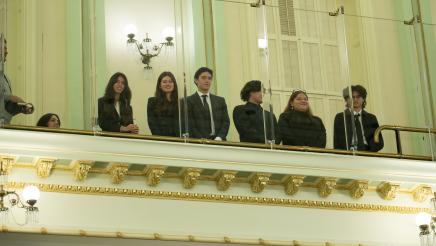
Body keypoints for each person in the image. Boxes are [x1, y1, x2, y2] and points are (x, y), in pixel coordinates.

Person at [333, 85, 384, 152]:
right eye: (352, 97)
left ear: (363, 99)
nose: (355, 99)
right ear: (347, 100)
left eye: (358, 97)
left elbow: (379, 141)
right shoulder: (340, 117)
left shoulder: (371, 118)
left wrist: (370, 152)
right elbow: (337, 143)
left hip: (368, 153)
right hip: (348, 154)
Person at [186, 67, 229, 140]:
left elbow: (225, 122)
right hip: (199, 142)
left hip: (219, 142)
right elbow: (190, 124)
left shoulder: (220, 100)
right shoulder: (188, 101)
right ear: (196, 80)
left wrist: (219, 137)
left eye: (209, 78)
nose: (207, 81)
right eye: (203, 78)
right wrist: (201, 139)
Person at [0, 38, 28, 124]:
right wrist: (10, 97)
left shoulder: (5, 77)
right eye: (4, 48)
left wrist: (20, 108)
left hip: (4, 125)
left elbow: (4, 108)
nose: (6, 52)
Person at [147, 71, 180, 137]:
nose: (168, 84)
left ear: (174, 84)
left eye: (170, 81)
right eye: (164, 82)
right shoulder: (152, 102)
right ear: (159, 85)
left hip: (178, 141)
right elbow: (153, 125)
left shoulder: (180, 103)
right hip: (160, 141)